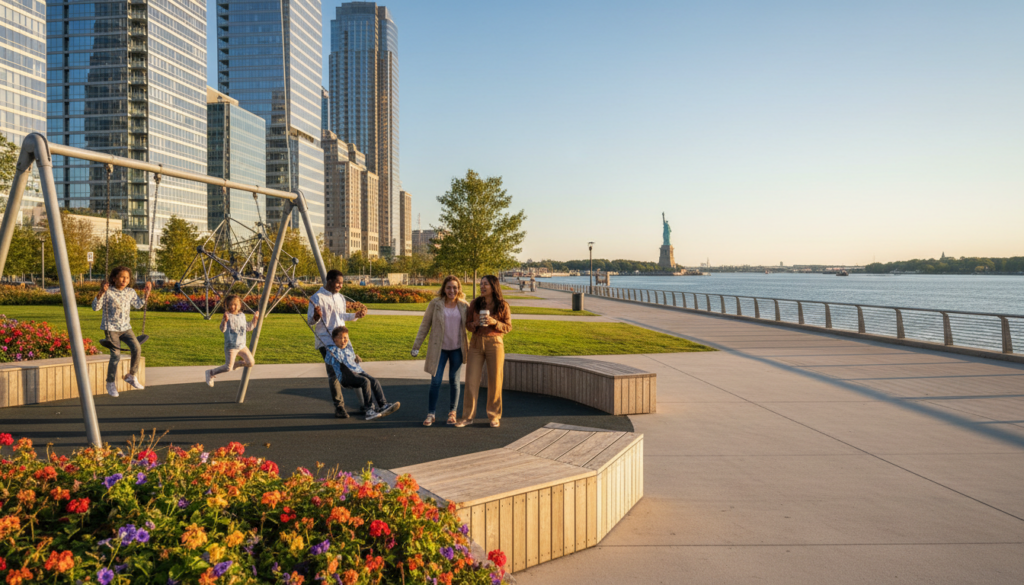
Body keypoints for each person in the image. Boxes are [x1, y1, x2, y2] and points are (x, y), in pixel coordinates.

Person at [309, 269, 368, 418]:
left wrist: (356, 315)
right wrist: (316, 316)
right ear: (329, 281)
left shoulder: (340, 298)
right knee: (334, 373)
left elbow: (342, 316)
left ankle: (366, 405)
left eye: (342, 283)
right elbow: (310, 321)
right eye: (338, 283)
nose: (341, 286)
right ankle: (339, 407)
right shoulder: (317, 297)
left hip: (343, 338)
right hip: (326, 340)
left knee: (354, 366)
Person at [411, 275, 469, 426]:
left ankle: (452, 413)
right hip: (439, 349)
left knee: (454, 381)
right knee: (435, 381)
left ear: (459, 289)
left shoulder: (463, 305)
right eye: (449, 287)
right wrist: (416, 345)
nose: (452, 290)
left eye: (455, 287)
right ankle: (431, 413)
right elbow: (425, 325)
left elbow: (472, 326)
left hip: (457, 349)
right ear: (444, 288)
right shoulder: (435, 304)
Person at [456, 275, 512, 428]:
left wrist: (494, 322)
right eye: (481, 284)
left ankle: (494, 416)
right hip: (475, 343)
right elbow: (467, 325)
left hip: (495, 343)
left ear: (493, 286)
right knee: (471, 381)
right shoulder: (475, 303)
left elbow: (508, 327)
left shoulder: (503, 305)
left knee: (495, 380)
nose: (482, 286)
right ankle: (467, 417)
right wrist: (474, 324)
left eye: (485, 284)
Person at [92, 266, 152, 397]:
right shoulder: (108, 291)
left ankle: (131, 375)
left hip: (126, 328)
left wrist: (146, 294)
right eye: (122, 277)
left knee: (136, 347)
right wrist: (101, 292)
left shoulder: (130, 291)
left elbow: (138, 305)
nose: (125, 280)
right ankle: (110, 383)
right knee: (116, 356)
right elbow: (95, 308)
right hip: (111, 328)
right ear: (114, 278)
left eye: (127, 278)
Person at [324, 326, 400, 421]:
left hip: (358, 372)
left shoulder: (348, 349)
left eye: (346, 338)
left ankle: (383, 405)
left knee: (374, 381)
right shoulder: (332, 350)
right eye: (342, 338)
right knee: (365, 381)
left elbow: (352, 361)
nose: (345, 340)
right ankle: (369, 410)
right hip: (346, 376)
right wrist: (330, 355)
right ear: (335, 340)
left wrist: (356, 359)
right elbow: (328, 361)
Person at [205, 294, 259, 387]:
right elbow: (222, 329)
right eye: (232, 304)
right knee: (228, 368)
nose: (235, 306)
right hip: (231, 346)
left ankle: (236, 364)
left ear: (240, 305)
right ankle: (211, 372)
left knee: (250, 362)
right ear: (228, 306)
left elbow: (248, 327)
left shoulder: (242, 315)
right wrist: (224, 321)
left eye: (237, 304)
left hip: (242, 345)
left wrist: (255, 319)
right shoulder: (227, 315)